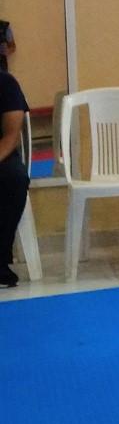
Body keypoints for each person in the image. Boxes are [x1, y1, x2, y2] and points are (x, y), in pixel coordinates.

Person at [0, 71, 30, 288]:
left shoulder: (5, 83)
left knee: (15, 179)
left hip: (2, 154)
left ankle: (0, 259)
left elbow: (11, 136)